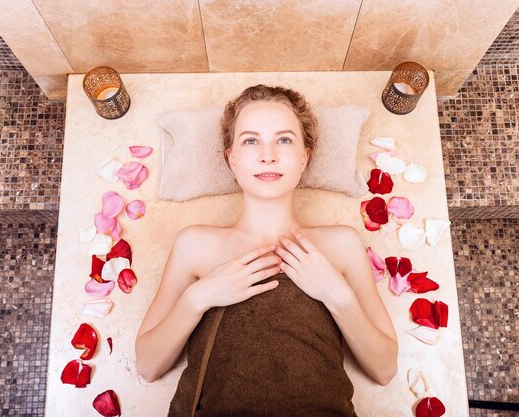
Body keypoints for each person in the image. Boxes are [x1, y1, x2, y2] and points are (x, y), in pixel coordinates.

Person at [135, 84, 398, 416]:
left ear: (305, 157)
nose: (268, 155)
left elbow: (385, 368)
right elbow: (147, 365)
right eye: (250, 140)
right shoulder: (195, 244)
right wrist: (199, 297)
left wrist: (338, 297)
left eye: (284, 140)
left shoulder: (341, 244)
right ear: (231, 158)